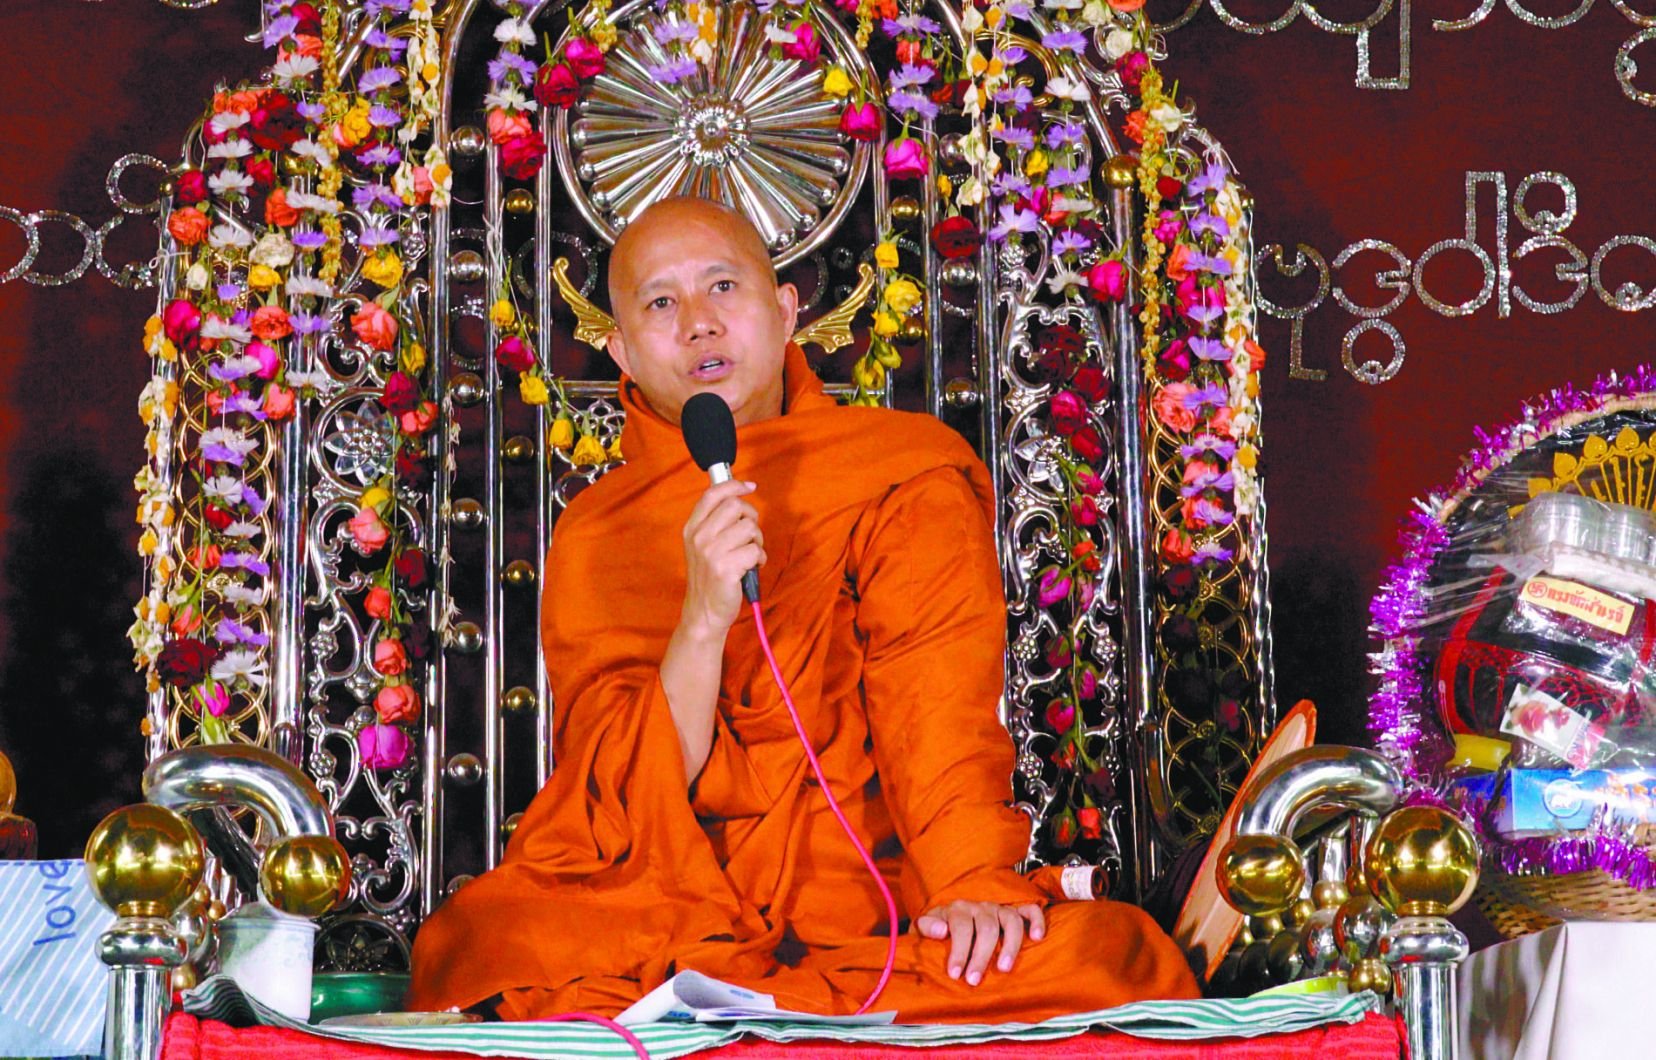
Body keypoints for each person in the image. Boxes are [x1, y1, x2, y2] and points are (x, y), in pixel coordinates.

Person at [407, 197, 1199, 1020]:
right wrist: (701, 622)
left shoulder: (899, 470)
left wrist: (970, 881)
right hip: (670, 905)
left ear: (787, 311)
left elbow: (937, 705)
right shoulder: (599, 531)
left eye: (723, 286)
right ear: (624, 352)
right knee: (474, 946)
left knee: (1113, 958)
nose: (699, 324)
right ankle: (770, 1002)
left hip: (873, 908)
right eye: (661, 302)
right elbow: (619, 803)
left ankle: (734, 1006)